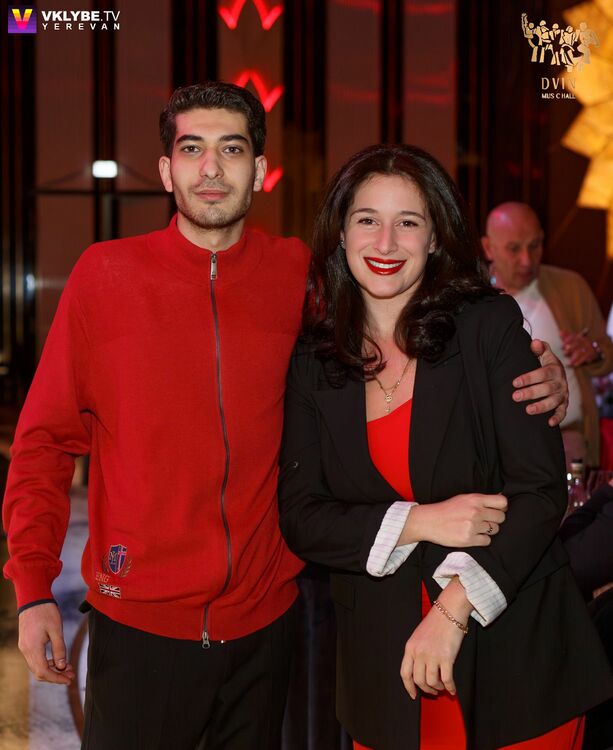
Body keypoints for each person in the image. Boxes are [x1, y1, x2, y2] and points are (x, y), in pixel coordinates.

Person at [2, 84, 568, 749]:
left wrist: (541, 374)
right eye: (192, 148)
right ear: (165, 169)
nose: (211, 169)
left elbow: (404, 331)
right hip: (139, 625)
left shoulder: (300, 279)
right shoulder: (104, 276)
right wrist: (34, 588)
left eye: (231, 149)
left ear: (259, 170)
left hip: (266, 629)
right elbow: (44, 443)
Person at [278, 144, 613, 750]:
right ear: (341, 232)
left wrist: (454, 607)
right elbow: (303, 516)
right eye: (367, 219)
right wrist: (420, 521)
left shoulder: (488, 327)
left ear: (434, 238)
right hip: (383, 669)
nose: (386, 242)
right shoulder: (313, 360)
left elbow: (539, 491)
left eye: (408, 222)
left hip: (514, 655)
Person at [482, 202, 613, 467]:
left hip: (566, 441)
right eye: (514, 249)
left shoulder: (570, 287)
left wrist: (593, 351)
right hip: (495, 449)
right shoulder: (473, 298)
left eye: (535, 245)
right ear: (488, 248)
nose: (527, 260)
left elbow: (606, 353)